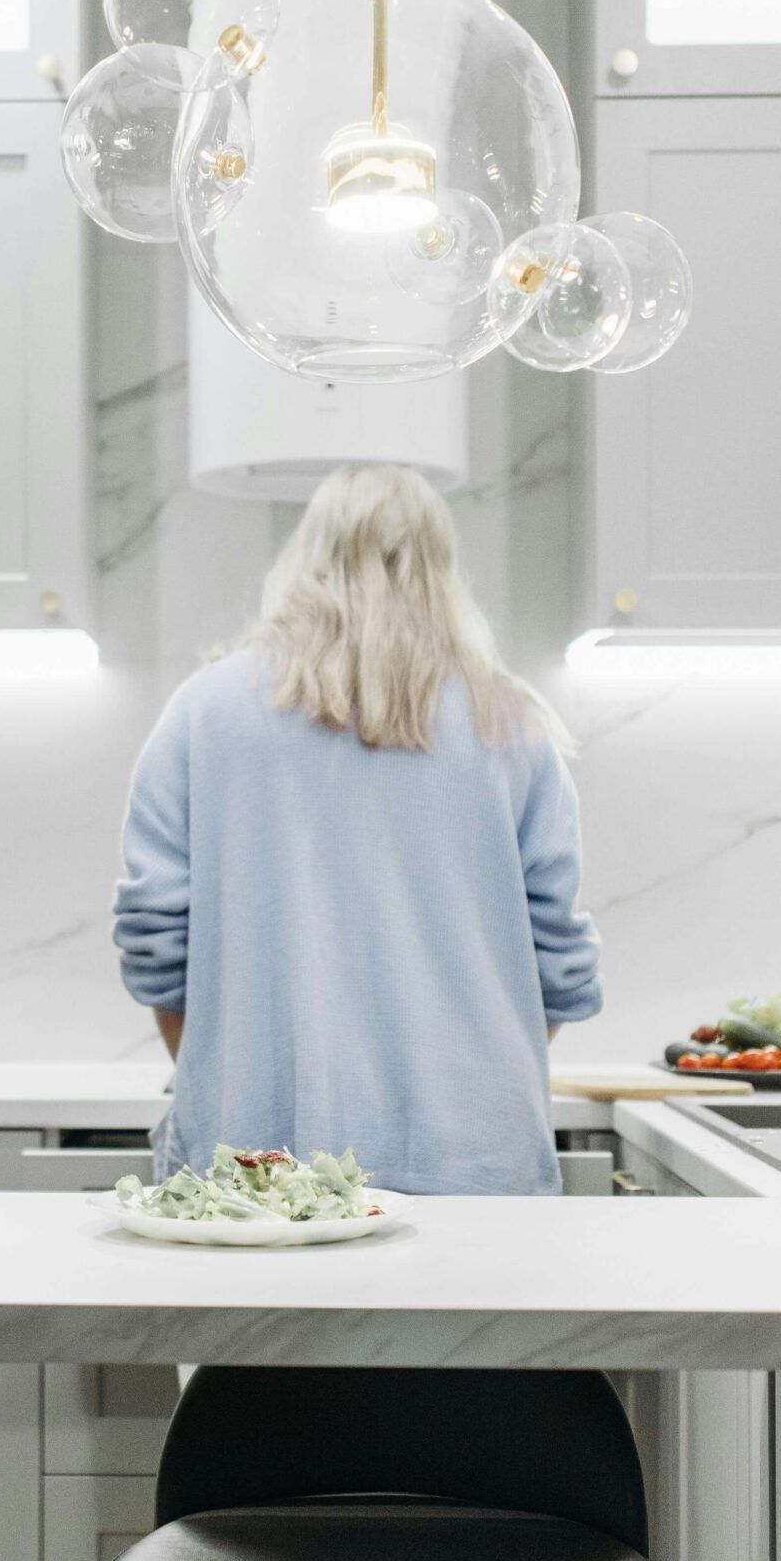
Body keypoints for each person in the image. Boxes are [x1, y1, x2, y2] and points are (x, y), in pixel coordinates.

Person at [111, 463, 600, 1197]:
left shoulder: (205, 710)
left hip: (257, 1169)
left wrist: (230, 1080)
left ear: (303, 558)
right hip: (477, 1164)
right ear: (443, 570)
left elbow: (155, 941)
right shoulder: (511, 721)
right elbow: (557, 964)